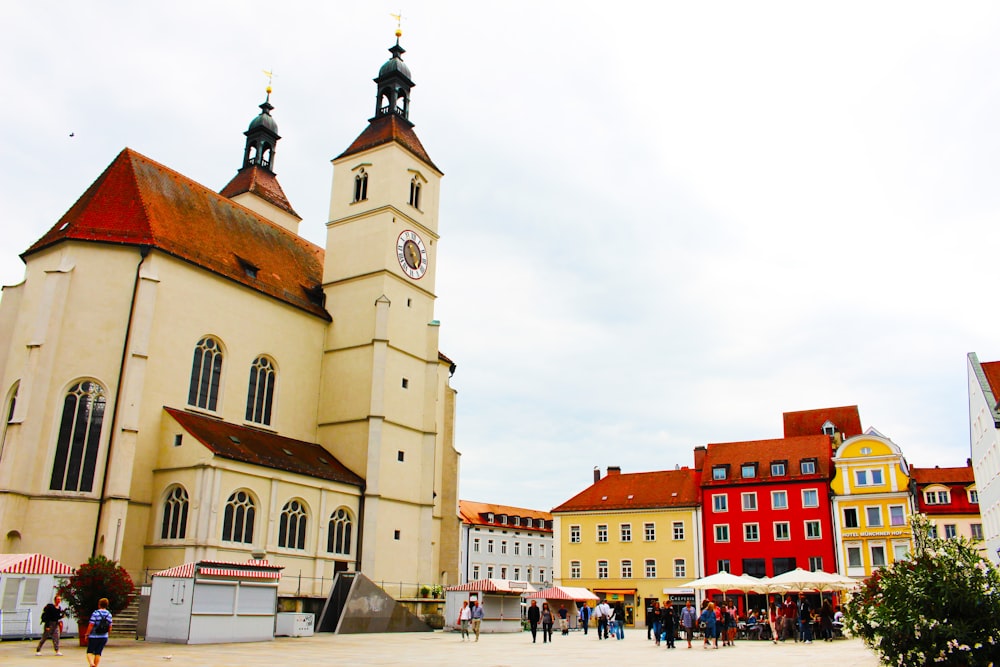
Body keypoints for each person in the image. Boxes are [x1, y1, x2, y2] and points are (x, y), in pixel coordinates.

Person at [86, 597, 113, 667]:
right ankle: (95, 665)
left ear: (99, 604)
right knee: (98, 653)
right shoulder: (109, 614)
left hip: (94, 636)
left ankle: (91, 663)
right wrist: (108, 634)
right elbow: (110, 626)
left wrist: (87, 634)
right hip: (104, 636)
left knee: (90, 652)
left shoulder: (95, 613)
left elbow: (91, 624)